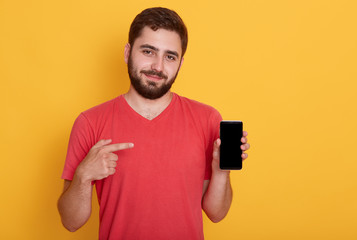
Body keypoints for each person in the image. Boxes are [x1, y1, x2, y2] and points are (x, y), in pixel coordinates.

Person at [58, 7, 250, 240]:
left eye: (170, 56)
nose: (158, 67)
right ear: (128, 52)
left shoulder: (207, 119)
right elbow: (70, 222)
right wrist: (83, 176)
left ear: (180, 62)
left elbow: (216, 213)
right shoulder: (90, 122)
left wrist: (221, 171)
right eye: (148, 51)